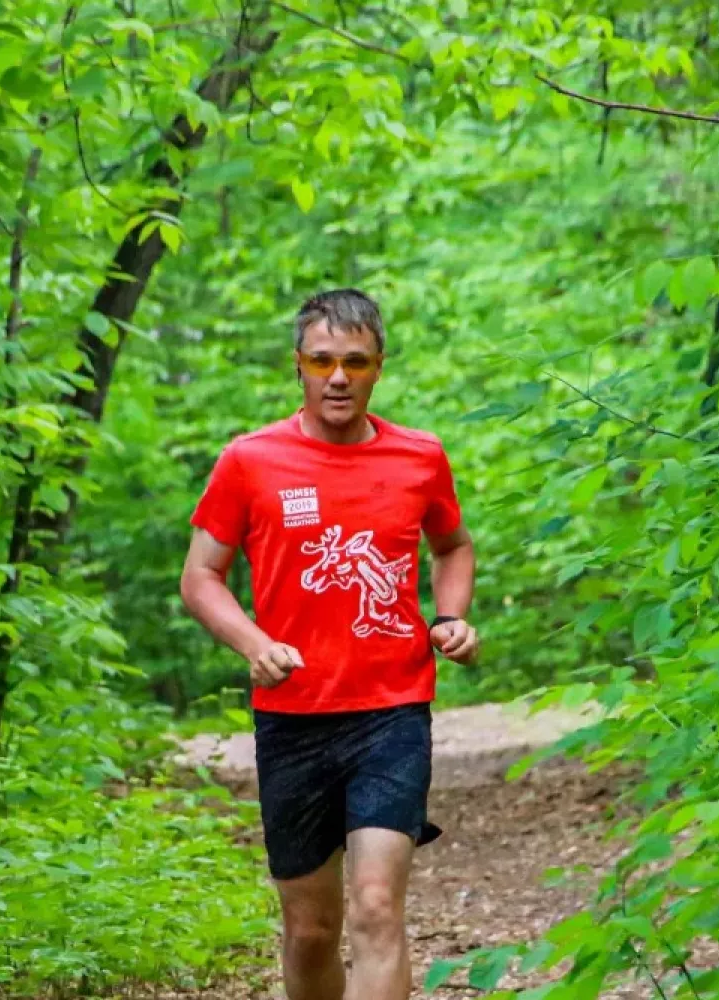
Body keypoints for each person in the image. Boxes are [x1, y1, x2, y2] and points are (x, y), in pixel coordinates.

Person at [179, 288, 479, 1000]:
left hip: (392, 710)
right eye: (321, 361)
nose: (337, 377)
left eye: (354, 362)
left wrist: (451, 617)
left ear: (379, 366)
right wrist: (253, 642)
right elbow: (200, 578)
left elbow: (453, 545)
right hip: (293, 718)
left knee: (376, 908)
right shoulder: (250, 460)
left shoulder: (420, 456)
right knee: (311, 930)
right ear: (298, 365)